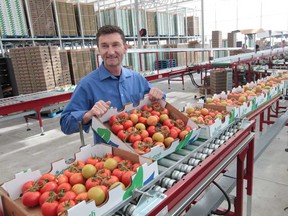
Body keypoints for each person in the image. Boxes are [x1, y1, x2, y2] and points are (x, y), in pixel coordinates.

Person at [60, 25, 165, 144]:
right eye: (104, 46)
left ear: (125, 48)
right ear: (99, 50)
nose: (110, 52)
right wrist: (88, 114)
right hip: (111, 156)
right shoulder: (87, 84)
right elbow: (65, 125)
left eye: (115, 45)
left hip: (144, 146)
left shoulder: (137, 79)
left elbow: (160, 101)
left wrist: (158, 94)